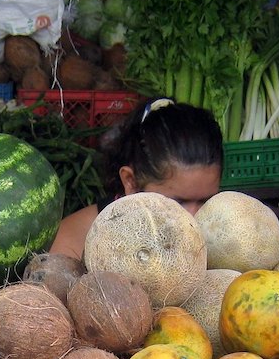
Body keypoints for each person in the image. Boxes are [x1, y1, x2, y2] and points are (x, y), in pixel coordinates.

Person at [49, 98, 224, 261]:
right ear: (130, 182)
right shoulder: (70, 246)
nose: (193, 219)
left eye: (206, 201)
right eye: (177, 202)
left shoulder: (223, 244)